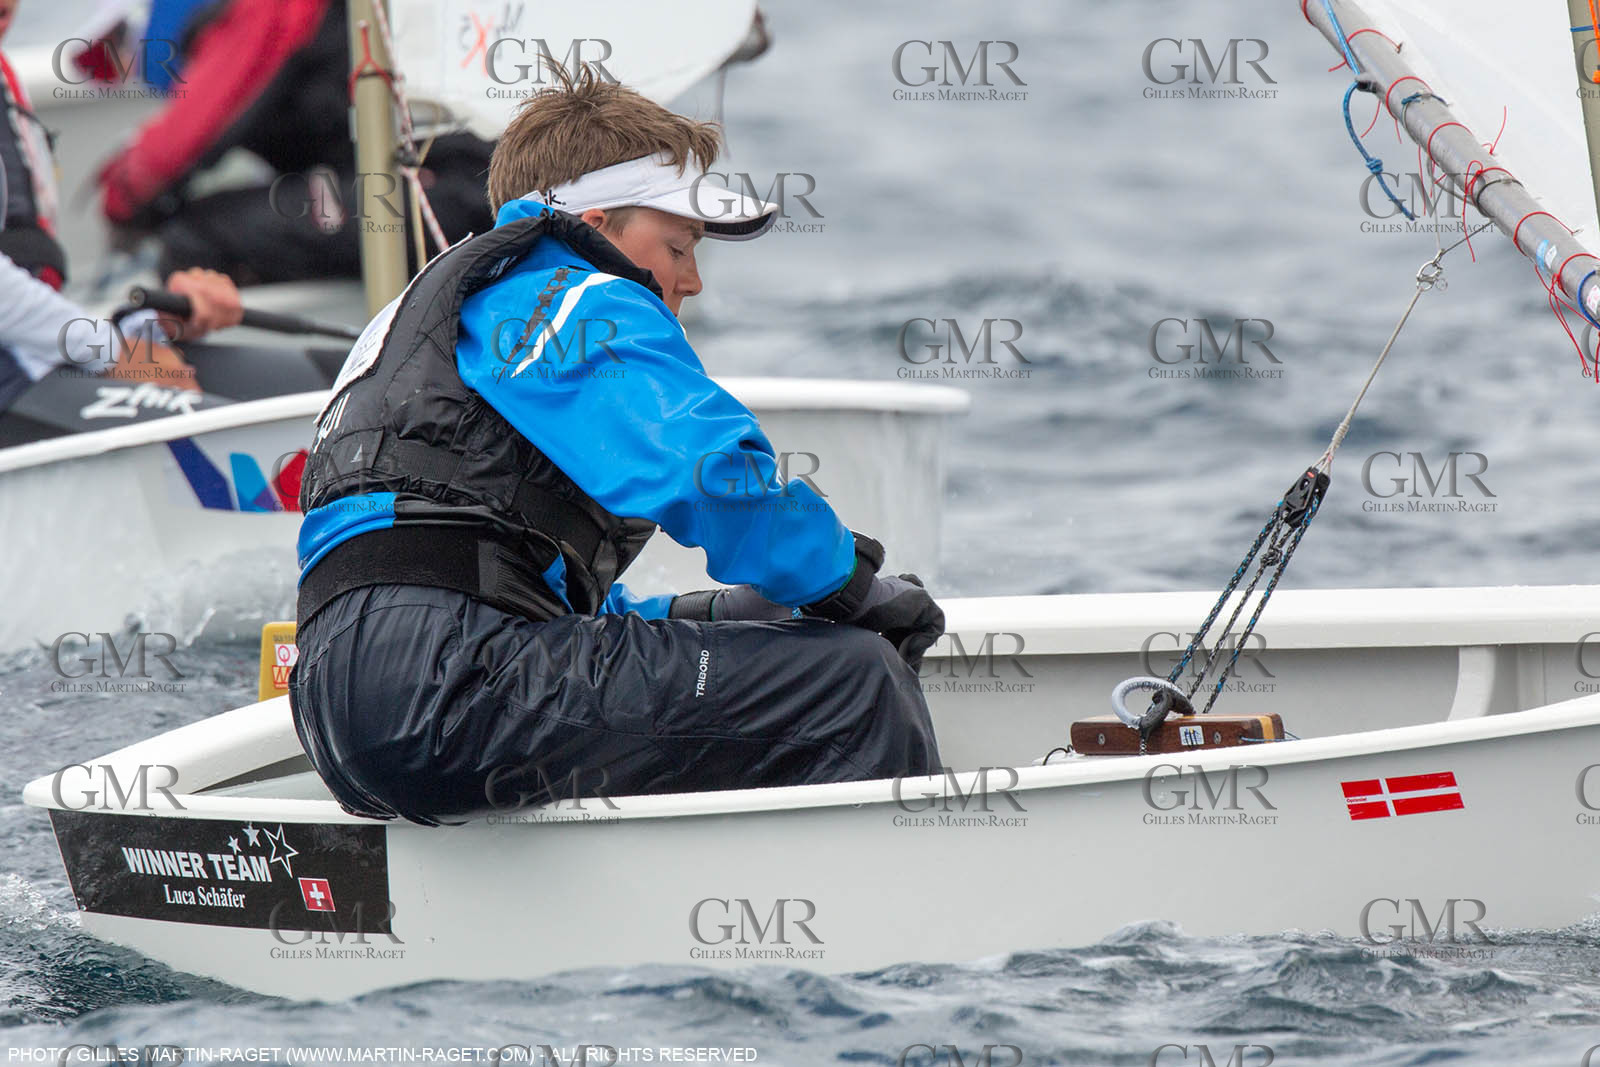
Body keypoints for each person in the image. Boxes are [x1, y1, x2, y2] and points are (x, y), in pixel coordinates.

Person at [288, 69, 945, 827]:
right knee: (854, 682)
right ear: (597, 227)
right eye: (678, 244)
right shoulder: (570, 294)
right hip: (450, 683)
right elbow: (715, 476)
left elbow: (473, 566)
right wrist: (852, 586)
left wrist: (719, 612)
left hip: (344, 716)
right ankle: (900, 928)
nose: (693, 279)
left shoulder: (438, 315)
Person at [95, 0, 494, 285]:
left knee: (197, 236)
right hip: (460, 180)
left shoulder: (269, 12)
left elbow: (170, 153)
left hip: (449, 191)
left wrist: (121, 196)